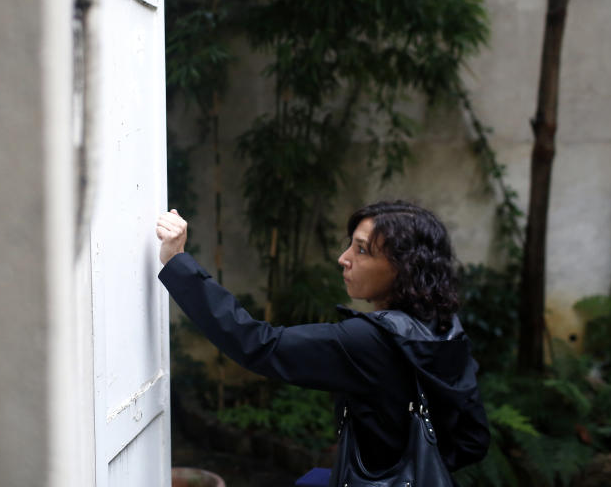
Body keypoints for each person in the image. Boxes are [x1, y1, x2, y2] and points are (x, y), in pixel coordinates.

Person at [155, 200, 489, 476]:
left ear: (403, 268)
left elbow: (258, 343)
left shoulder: (369, 341)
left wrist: (178, 262)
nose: (343, 258)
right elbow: (473, 440)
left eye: (361, 250)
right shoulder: (445, 329)